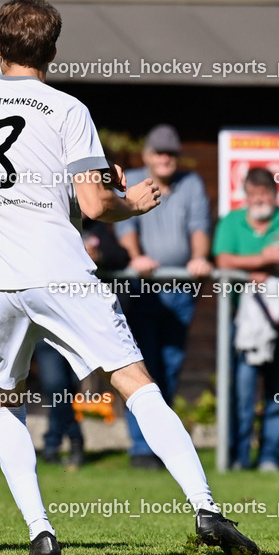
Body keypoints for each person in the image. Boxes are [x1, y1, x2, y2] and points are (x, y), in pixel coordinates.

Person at [0, 0, 259, 555]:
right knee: (137, 384)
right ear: (52, 48)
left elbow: (24, 176)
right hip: (57, 270)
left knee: (4, 402)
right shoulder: (68, 108)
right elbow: (96, 206)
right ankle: (204, 507)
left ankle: (39, 530)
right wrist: (133, 200)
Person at [115, 124, 212, 468]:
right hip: (142, 289)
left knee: (170, 367)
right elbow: (124, 225)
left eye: (171, 153)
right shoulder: (135, 179)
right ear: (148, 156)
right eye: (159, 152)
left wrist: (199, 257)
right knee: (142, 368)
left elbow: (199, 227)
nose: (165, 158)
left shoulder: (191, 184)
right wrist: (136, 255)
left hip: (180, 289)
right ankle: (142, 448)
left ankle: (163, 441)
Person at [213, 169, 279, 471]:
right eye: (254, 194)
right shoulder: (232, 221)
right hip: (245, 323)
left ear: (274, 195)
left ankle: (270, 455)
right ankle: (238, 456)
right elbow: (222, 259)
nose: (260, 199)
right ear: (246, 196)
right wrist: (261, 261)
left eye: (265, 194)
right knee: (242, 390)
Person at [37, 218, 129, 467]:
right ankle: (74, 438)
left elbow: (121, 256)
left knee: (68, 386)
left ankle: (53, 442)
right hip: (47, 318)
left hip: (80, 321)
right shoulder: (47, 220)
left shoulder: (97, 228)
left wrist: (98, 255)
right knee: (55, 384)